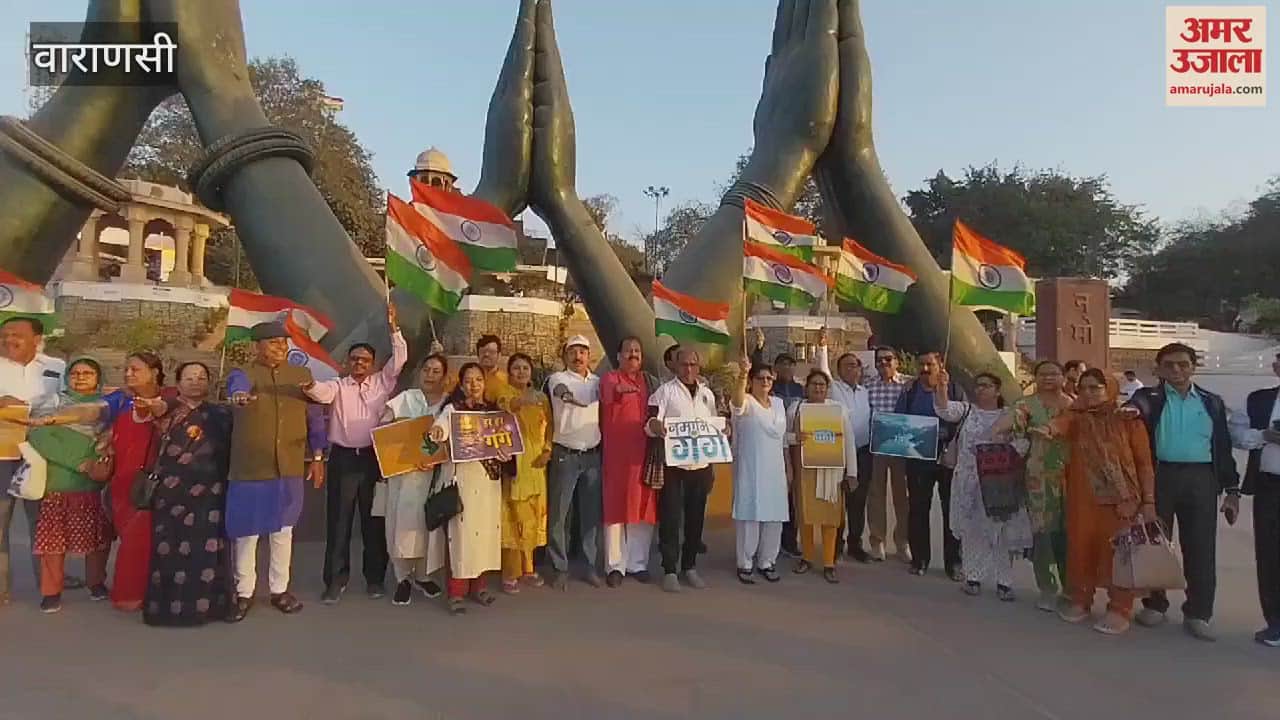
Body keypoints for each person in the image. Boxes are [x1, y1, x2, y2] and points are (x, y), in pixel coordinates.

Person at [1127, 342, 1240, 641]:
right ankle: (1155, 604)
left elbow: (1223, 447)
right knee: (1155, 542)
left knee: (1201, 547)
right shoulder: (1147, 398)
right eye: (1169, 365)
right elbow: (1133, 412)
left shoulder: (1212, 402)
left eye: (1183, 364)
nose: (1176, 370)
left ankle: (1199, 612)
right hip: (1159, 476)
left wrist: (1232, 489)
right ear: (1158, 369)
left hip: (1201, 479)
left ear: (1193, 367)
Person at [224, 321, 328, 622]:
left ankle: (279, 590)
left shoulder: (301, 376)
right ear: (257, 346)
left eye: (284, 342)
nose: (281, 347)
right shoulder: (244, 374)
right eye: (273, 342)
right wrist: (239, 397)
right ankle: (244, 592)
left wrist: (318, 456)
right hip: (251, 466)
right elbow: (237, 389)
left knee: (283, 531)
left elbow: (315, 418)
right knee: (247, 532)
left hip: (289, 466)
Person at [1038, 369, 1155, 635]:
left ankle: (1120, 608)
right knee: (1080, 548)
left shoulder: (1128, 419)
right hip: (1082, 500)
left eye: (1095, 388)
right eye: (1083, 388)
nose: (1088, 393)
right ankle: (1081, 599)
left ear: (1109, 388)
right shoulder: (1076, 418)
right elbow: (1060, 425)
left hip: (1120, 500)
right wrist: (1048, 429)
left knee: (1119, 553)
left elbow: (1144, 464)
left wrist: (1147, 500)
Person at [304, 303, 406, 603]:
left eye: (365, 360)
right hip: (344, 459)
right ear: (347, 363)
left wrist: (394, 327)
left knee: (373, 521)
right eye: (354, 359)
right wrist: (307, 382)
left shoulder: (383, 382)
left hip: (375, 459)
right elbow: (319, 392)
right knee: (339, 522)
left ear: (373, 364)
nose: (359, 363)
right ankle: (335, 580)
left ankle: (375, 579)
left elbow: (400, 358)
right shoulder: (338, 386)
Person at [140, 362, 233, 626]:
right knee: (169, 549)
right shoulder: (167, 409)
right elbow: (154, 408)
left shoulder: (220, 413)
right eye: (189, 377)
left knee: (208, 550)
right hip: (172, 490)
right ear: (178, 382)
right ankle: (166, 610)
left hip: (211, 489)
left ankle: (209, 609)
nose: (195, 382)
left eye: (201, 377)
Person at [23, 357, 112, 613]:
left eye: (88, 373)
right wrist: (81, 463)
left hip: (94, 486)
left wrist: (100, 465)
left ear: (98, 378)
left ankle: (96, 584)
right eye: (75, 373)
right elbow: (39, 435)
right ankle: (51, 592)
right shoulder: (51, 403)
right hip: (58, 483)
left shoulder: (107, 407)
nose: (80, 377)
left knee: (98, 541)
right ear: (66, 377)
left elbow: (112, 439)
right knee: (53, 544)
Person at [935, 370, 1031, 600]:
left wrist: (1002, 449)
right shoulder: (967, 410)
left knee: (1001, 531)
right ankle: (973, 577)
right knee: (972, 531)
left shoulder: (1011, 415)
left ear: (997, 390)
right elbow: (944, 409)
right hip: (968, 480)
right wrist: (941, 386)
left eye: (986, 385)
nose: (981, 389)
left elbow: (1023, 442)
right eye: (978, 385)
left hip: (999, 482)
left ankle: (1004, 582)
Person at [427, 363, 511, 615]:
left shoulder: (494, 412)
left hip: (488, 481)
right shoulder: (453, 409)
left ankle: (479, 587)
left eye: (478, 380)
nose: (474, 385)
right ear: (462, 385)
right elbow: (441, 428)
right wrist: (438, 431)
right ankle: (456, 592)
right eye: (468, 380)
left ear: (484, 383)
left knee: (484, 535)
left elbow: (504, 443)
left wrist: (506, 455)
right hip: (463, 479)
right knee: (461, 538)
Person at [0, 316, 66, 606]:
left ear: (37, 340)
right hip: (2, 454)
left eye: (16, 334)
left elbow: (68, 401)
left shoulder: (57, 367)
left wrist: (34, 408)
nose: (8, 339)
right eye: (4, 334)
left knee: (41, 523)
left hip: (41, 453)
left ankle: (48, 585)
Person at [647, 348, 721, 592]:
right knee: (670, 518)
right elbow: (650, 420)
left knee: (695, 518)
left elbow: (714, 424)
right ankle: (669, 569)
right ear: (675, 366)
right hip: (674, 466)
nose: (688, 369)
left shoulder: (707, 394)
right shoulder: (664, 392)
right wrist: (655, 426)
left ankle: (689, 566)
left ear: (698, 367)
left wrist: (724, 430)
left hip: (701, 466)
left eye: (693, 364)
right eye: (684, 364)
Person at [380, 354, 449, 606]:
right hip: (406, 475)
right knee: (402, 526)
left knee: (428, 527)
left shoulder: (448, 403)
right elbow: (384, 427)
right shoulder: (406, 398)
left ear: (444, 376)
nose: (430, 375)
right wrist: (396, 425)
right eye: (426, 369)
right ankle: (402, 578)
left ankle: (423, 576)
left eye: (436, 371)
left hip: (436, 474)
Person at [1003, 360, 1072, 611]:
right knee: (1043, 533)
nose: (1048, 378)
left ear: (1064, 377)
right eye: (1043, 374)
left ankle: (1072, 587)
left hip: (1072, 478)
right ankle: (1047, 587)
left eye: (1054, 374)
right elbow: (1013, 433)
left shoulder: (1074, 405)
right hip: (1038, 479)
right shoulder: (1025, 405)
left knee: (1070, 534)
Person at [104, 351, 168, 612]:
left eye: (135, 369)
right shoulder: (121, 401)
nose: (128, 374)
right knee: (129, 540)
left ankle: (134, 594)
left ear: (154, 372)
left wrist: (153, 407)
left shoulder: (168, 400)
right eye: (126, 369)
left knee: (140, 541)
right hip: (122, 482)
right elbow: (94, 412)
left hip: (149, 483)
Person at [896, 351, 964, 580]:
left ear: (940, 364)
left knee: (951, 511)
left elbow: (964, 419)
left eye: (930, 364)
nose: (925, 369)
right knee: (918, 509)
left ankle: (954, 563)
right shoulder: (909, 390)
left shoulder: (954, 389)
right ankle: (920, 560)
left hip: (948, 458)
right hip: (918, 458)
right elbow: (899, 419)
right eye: (922, 364)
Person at [1227, 353, 1280, 646]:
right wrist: (1265, 436)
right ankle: (1276, 623)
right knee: (1270, 555)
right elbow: (1237, 435)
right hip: (1269, 487)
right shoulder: (1258, 399)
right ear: (1276, 367)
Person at [544, 335, 603, 589]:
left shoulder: (598, 382)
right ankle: (559, 567)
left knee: (591, 514)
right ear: (566, 355)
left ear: (589, 356)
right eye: (573, 352)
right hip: (565, 455)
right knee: (559, 513)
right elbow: (560, 392)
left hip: (592, 455)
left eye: (582, 352)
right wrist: (571, 398)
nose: (578, 357)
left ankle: (589, 565)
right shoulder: (557, 379)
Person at [599, 337, 658, 586]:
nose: (633, 354)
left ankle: (638, 563)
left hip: (644, 455)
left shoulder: (649, 382)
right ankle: (615, 566)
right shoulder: (610, 378)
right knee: (615, 508)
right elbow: (608, 395)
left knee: (643, 508)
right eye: (628, 351)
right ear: (618, 356)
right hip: (617, 456)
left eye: (637, 351)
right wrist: (620, 390)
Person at [787, 369, 850, 584]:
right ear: (806, 387)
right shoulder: (796, 409)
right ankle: (807, 557)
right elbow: (785, 437)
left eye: (822, 384)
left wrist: (852, 472)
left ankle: (829, 563)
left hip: (831, 471)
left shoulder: (838, 410)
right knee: (805, 515)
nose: (818, 388)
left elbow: (848, 441)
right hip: (805, 470)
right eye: (814, 384)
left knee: (830, 517)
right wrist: (796, 437)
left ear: (827, 388)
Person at [813, 331, 871, 562]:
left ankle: (856, 543)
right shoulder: (834, 389)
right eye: (847, 366)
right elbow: (823, 370)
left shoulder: (865, 392)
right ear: (839, 371)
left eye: (855, 365)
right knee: (837, 501)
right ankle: (836, 544)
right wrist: (823, 347)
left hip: (863, 452)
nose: (852, 369)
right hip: (839, 452)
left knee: (858, 501)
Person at [730, 354, 788, 583]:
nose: (765, 382)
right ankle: (745, 563)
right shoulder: (745, 402)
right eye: (760, 378)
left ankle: (767, 561)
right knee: (750, 515)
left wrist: (789, 468)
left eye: (768, 378)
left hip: (775, 469)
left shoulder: (779, 404)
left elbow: (783, 438)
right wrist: (743, 374)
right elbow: (736, 403)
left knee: (774, 516)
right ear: (752, 381)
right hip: (751, 468)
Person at [496, 353, 551, 594]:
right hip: (515, 465)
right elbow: (508, 406)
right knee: (513, 519)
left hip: (536, 464)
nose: (521, 372)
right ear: (509, 372)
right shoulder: (504, 394)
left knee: (533, 517)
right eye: (516, 368)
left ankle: (528, 568)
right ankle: (510, 573)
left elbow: (550, 426)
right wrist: (523, 399)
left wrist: (548, 450)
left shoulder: (541, 398)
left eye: (525, 368)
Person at [865, 345, 911, 563]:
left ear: (897, 362)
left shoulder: (908, 384)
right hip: (877, 444)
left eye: (888, 359)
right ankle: (877, 541)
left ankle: (902, 541)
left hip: (903, 445)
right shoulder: (868, 385)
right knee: (876, 495)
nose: (883, 363)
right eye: (879, 360)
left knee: (903, 496)